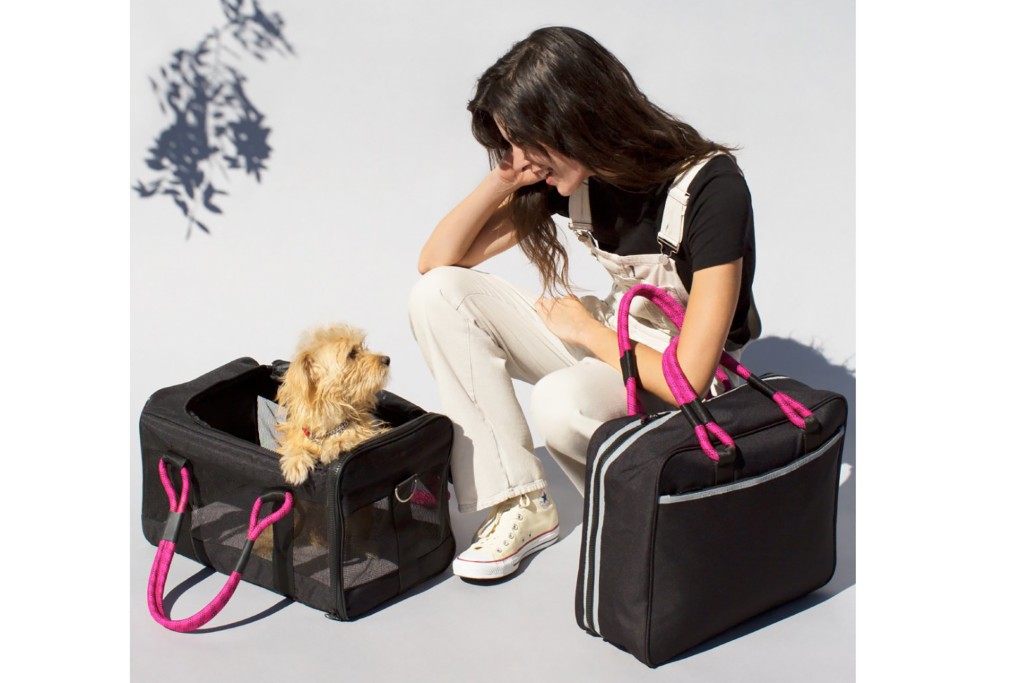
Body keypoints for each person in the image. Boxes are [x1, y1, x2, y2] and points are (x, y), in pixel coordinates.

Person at [408, 26, 758, 580]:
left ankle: (639, 528)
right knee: (439, 295)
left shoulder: (712, 188)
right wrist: (507, 174)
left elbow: (689, 378)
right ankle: (521, 501)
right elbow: (438, 259)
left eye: (528, 142)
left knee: (558, 401)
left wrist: (587, 331)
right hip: (615, 340)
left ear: (577, 117)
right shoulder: (574, 176)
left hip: (685, 377)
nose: (526, 160)